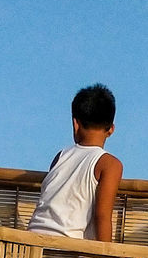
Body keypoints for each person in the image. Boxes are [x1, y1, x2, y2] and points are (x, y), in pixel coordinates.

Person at [27, 84, 123, 241]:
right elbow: (102, 215)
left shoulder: (60, 156)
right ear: (111, 129)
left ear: (75, 124)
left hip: (30, 239)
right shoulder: (110, 164)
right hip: (65, 246)